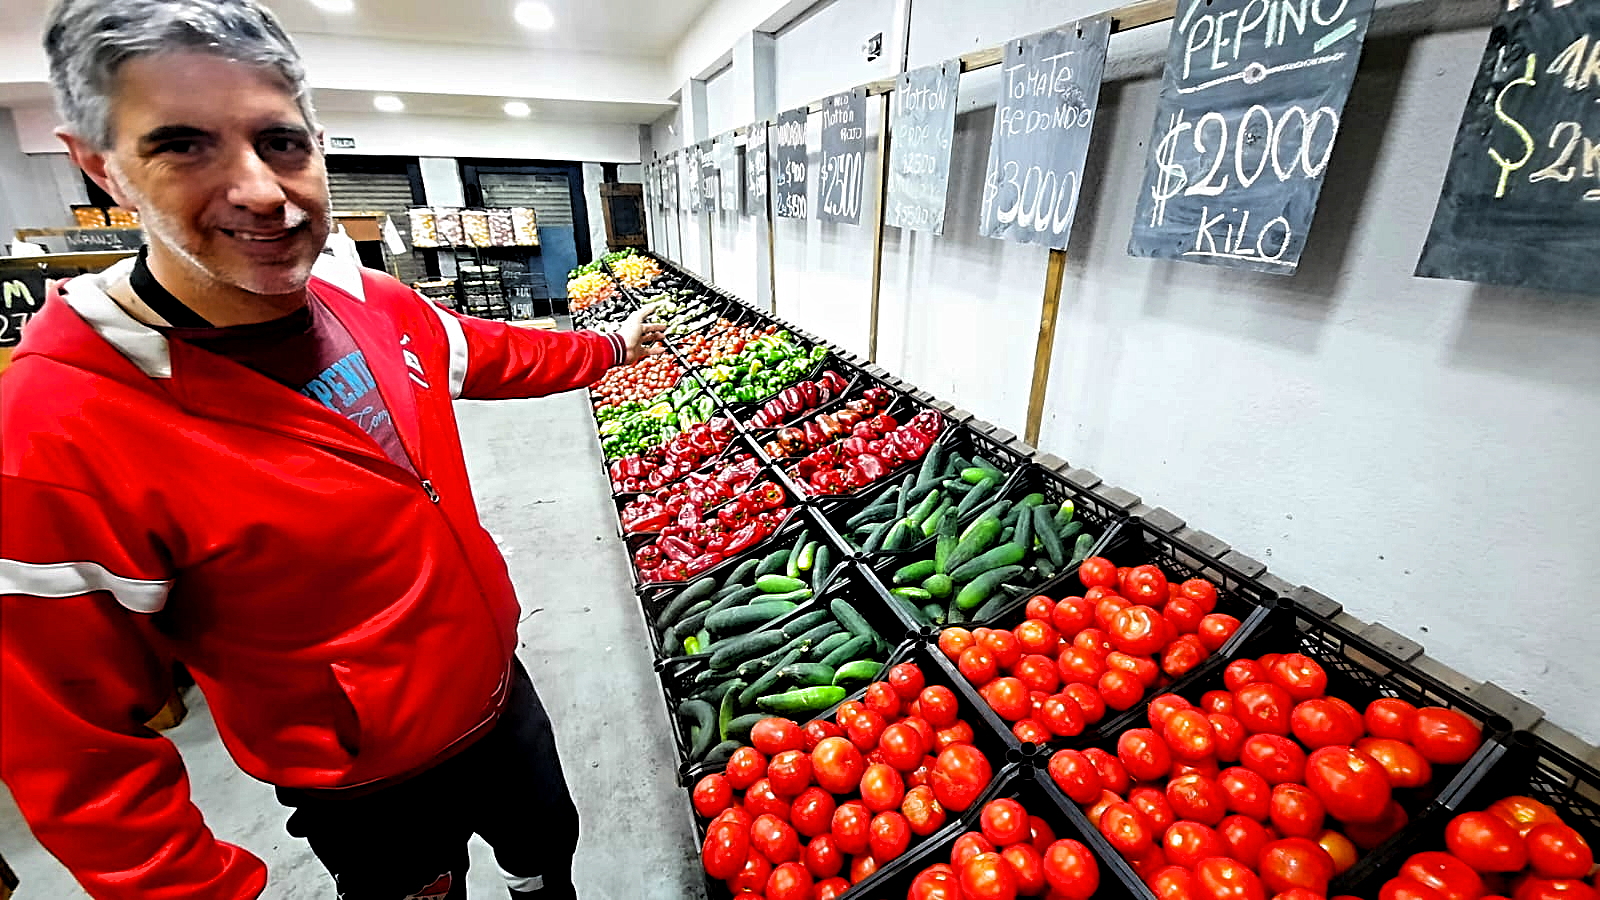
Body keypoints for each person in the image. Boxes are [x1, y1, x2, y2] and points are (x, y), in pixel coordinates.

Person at [0, 1, 665, 897]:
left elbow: (496, 351)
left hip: (496, 688)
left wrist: (618, 348)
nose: (261, 191)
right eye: (183, 146)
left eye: (280, 142)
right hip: (365, 782)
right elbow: (79, 759)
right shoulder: (57, 428)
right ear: (98, 164)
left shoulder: (368, 298)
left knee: (546, 850)